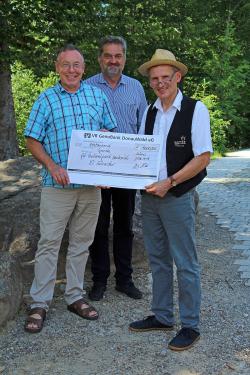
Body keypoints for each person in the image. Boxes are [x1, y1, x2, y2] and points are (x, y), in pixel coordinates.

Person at [24, 44, 117, 333]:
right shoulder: (46, 99)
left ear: (84, 68)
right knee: (49, 243)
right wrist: (52, 166)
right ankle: (39, 302)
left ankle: (75, 296)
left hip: (90, 187)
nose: (71, 70)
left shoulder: (96, 95)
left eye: (76, 65)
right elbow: (31, 139)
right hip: (57, 185)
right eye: (66, 65)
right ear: (57, 68)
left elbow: (110, 132)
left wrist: (105, 158)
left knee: (81, 244)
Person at [129, 49, 213, 351]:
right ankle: (163, 316)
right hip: (150, 198)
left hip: (177, 196)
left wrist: (171, 181)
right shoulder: (150, 111)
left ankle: (190, 325)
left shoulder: (194, 109)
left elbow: (203, 157)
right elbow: (139, 155)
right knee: (158, 260)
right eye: (155, 78)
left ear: (177, 77)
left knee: (185, 262)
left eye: (166, 77)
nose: (160, 82)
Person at [85, 36, 147, 301]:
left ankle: (124, 279)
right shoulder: (86, 87)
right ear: (100, 58)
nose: (113, 61)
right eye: (108, 56)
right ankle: (99, 280)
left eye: (118, 56)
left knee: (124, 225)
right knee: (97, 226)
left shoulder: (136, 87)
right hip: (97, 170)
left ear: (124, 58)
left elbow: (145, 127)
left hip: (128, 170)